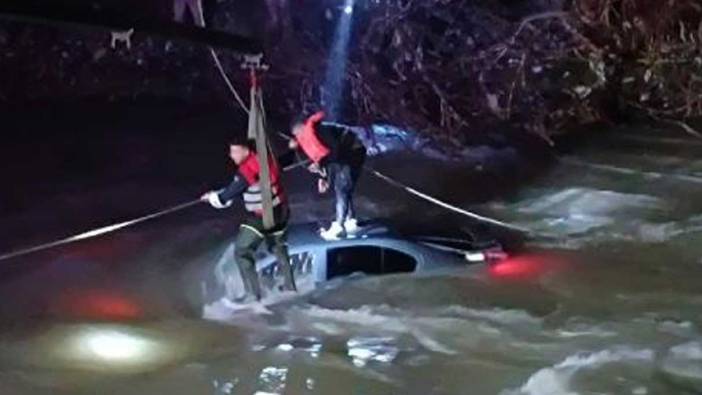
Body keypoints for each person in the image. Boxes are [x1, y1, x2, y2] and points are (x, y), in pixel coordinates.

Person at [201, 137, 296, 302]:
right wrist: (293, 149)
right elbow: (285, 161)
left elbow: (227, 196)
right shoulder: (267, 160)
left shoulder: (247, 169)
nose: (231, 156)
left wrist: (212, 198)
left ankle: (253, 294)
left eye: (233, 151)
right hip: (281, 212)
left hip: (261, 217)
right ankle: (290, 286)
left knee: (242, 251)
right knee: (279, 248)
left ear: (244, 150)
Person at [289, 111, 367, 240]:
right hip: (343, 155)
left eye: (298, 133)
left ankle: (339, 226)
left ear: (302, 127)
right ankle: (351, 220)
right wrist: (323, 177)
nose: (298, 137)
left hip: (354, 151)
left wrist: (321, 164)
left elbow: (333, 151)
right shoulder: (308, 137)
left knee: (342, 188)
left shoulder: (320, 131)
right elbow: (324, 157)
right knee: (344, 188)